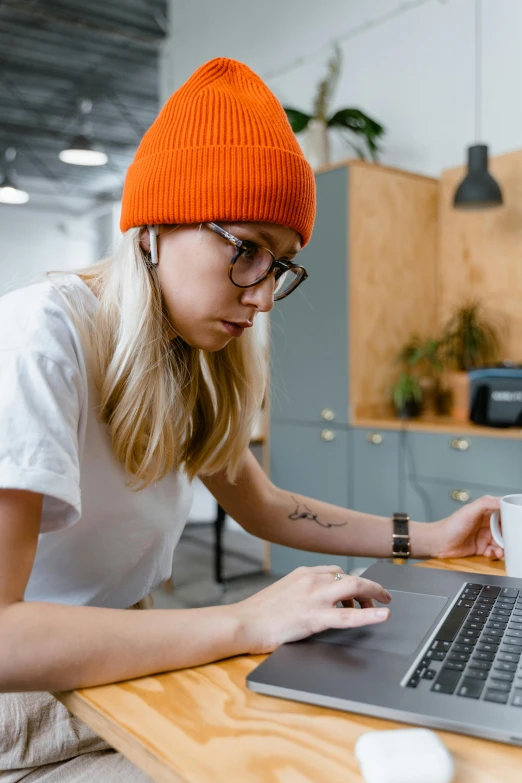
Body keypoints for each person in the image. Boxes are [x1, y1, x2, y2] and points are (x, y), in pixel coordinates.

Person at [0, 58, 502, 781]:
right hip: (27, 713)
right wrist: (245, 620)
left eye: (281, 266)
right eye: (246, 250)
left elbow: (264, 508)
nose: (263, 297)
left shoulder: (186, 355)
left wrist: (426, 536)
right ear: (155, 227)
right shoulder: (41, 336)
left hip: (126, 668)